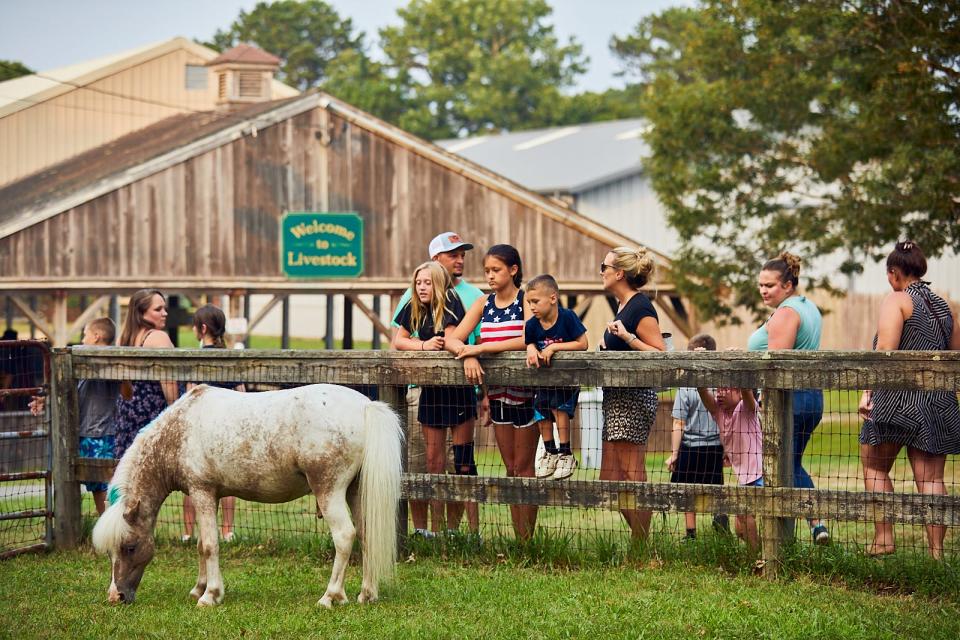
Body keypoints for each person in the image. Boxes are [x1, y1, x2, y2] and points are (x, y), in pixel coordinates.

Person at [859, 241, 960, 559]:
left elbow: (886, 353)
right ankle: (936, 553)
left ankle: (884, 538)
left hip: (897, 399)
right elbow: (954, 355)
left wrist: (868, 391)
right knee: (931, 479)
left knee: (873, 466)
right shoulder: (945, 307)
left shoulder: (897, 299)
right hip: (939, 401)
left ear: (893, 273)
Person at [391, 231, 485, 537]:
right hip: (427, 390)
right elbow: (399, 340)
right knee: (426, 462)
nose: (458, 260)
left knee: (462, 462)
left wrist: (468, 354)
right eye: (452, 254)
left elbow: (456, 339)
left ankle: (465, 531)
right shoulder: (413, 302)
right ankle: (425, 530)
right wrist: (423, 345)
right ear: (436, 261)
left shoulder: (462, 299)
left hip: (460, 389)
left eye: (462, 255)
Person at [448, 244, 537, 539]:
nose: (490, 276)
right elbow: (454, 338)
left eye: (496, 270)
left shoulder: (525, 300)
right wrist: (468, 354)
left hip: (526, 395)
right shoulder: (483, 304)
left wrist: (483, 347)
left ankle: (528, 537)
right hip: (498, 396)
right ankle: (517, 535)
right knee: (510, 467)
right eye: (486, 271)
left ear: (513, 270)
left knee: (525, 469)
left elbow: (527, 337)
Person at [746, 252, 829, 545]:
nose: (764, 290)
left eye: (770, 285)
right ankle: (808, 527)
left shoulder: (786, 312)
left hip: (790, 400)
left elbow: (775, 366)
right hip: (811, 397)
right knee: (791, 464)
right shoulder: (809, 308)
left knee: (785, 467)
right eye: (760, 285)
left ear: (788, 285)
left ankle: (804, 529)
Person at [598, 246, 666, 540]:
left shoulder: (640, 307)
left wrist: (628, 338)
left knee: (632, 475)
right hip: (615, 399)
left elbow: (659, 353)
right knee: (609, 480)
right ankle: (642, 539)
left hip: (634, 399)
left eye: (604, 266)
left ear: (619, 273)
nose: (600, 271)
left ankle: (641, 545)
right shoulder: (623, 305)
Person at [29, 318, 120, 515]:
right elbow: (72, 391)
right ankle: (107, 525)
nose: (82, 339)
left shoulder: (109, 359)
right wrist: (45, 400)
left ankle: (112, 526)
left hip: (99, 432)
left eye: (85, 334)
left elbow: (126, 389)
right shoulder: (83, 361)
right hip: (84, 431)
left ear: (97, 337)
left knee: (102, 485)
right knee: (95, 485)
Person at [181, 304, 243, 543]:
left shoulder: (196, 359)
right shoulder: (229, 358)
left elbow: (189, 395)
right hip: (227, 427)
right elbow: (240, 391)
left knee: (193, 482)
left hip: (201, 429)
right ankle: (227, 530)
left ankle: (188, 532)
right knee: (228, 483)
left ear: (203, 328)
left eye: (195, 326)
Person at [524, 274, 588, 480]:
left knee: (559, 409)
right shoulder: (532, 325)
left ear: (552, 298)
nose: (532, 307)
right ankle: (550, 452)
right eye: (529, 303)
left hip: (565, 379)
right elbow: (529, 343)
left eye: (535, 301)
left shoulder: (567, 317)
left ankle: (565, 453)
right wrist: (531, 348)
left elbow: (583, 343)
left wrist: (554, 347)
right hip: (543, 380)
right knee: (541, 411)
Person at [666, 334, 726, 539]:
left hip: (691, 447)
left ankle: (691, 532)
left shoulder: (687, 386)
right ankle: (720, 523)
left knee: (686, 491)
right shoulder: (721, 384)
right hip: (716, 447)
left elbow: (678, 422)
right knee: (716, 488)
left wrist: (674, 453)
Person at [697, 383, 762, 553]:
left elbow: (748, 392)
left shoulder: (745, 408)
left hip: (760, 475)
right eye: (718, 389)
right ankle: (758, 550)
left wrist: (742, 383)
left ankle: (756, 557)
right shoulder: (719, 413)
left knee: (744, 515)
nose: (720, 393)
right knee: (740, 529)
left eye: (726, 389)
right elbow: (702, 391)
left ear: (739, 392)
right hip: (744, 478)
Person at [114, 289, 179, 460]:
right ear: (141, 313)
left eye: (164, 309)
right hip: (153, 412)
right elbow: (169, 381)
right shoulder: (158, 337)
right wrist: (177, 412)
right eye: (158, 309)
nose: (164, 313)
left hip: (127, 411)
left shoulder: (124, 338)